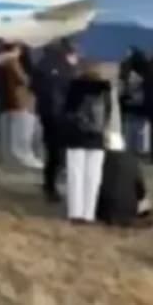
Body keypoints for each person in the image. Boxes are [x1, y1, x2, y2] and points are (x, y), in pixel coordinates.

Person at [62, 62, 112, 224]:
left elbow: (67, 113)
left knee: (75, 175)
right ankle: (89, 213)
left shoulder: (74, 88)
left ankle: (75, 213)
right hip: (96, 139)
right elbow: (109, 114)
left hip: (76, 137)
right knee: (93, 177)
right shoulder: (105, 89)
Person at [34, 40, 79, 202]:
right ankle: (54, 186)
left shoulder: (40, 65)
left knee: (52, 150)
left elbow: (33, 87)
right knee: (60, 152)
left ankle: (49, 184)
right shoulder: (66, 67)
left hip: (45, 112)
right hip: (61, 114)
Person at [3, 42, 42, 169]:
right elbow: (24, 80)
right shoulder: (13, 63)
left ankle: (22, 153)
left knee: (21, 129)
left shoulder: (11, 62)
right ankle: (25, 155)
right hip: (22, 100)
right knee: (24, 130)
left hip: (18, 100)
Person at [119, 47, 148, 155]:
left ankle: (130, 154)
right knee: (138, 133)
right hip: (140, 108)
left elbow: (122, 87)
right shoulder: (145, 67)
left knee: (130, 133)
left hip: (130, 107)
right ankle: (137, 154)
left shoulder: (126, 67)